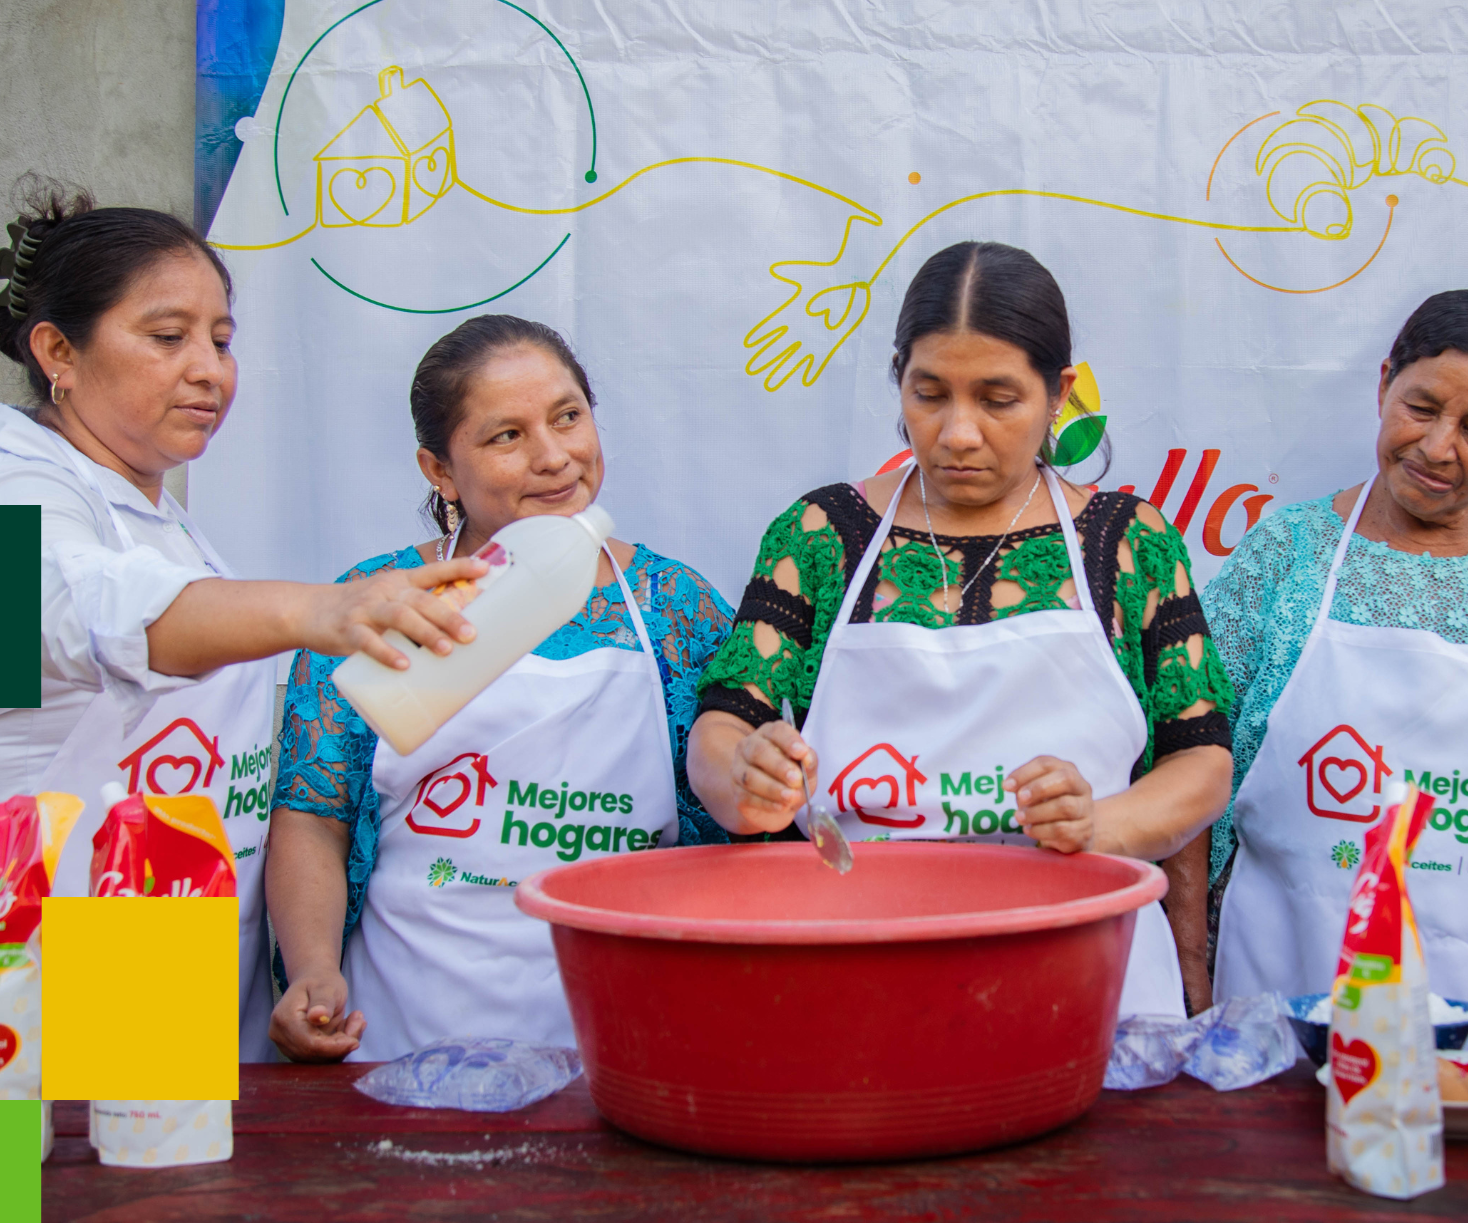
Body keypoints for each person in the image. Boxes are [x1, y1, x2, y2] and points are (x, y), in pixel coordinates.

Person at [0, 179, 482, 1067]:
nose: (210, 369)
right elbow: (93, 616)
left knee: (165, 1170)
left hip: (148, 981)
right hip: (4, 989)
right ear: (58, 350)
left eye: (221, 340)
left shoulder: (156, 518)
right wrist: (320, 609)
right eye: (169, 337)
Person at [688, 241, 1236, 1019]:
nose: (958, 433)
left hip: (1084, 979)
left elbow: (1202, 761)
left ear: (1060, 393)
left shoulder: (1130, 542)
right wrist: (743, 776)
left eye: (998, 399)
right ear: (899, 378)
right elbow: (722, 727)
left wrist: (1099, 825)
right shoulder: (820, 534)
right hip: (859, 972)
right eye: (930, 393)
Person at [266, 314, 735, 1062]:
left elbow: (728, 825)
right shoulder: (378, 602)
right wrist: (314, 970)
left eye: (568, 416)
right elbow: (313, 815)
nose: (554, 457)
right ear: (440, 471)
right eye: (506, 436)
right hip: (405, 1041)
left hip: (619, 1042)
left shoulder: (677, 608)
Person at [1210, 291, 1468, 1003]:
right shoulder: (1288, 552)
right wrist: (1189, 966)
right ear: (1384, 384)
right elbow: (1191, 753)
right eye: (1421, 408)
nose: (1438, 448)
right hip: (1276, 976)